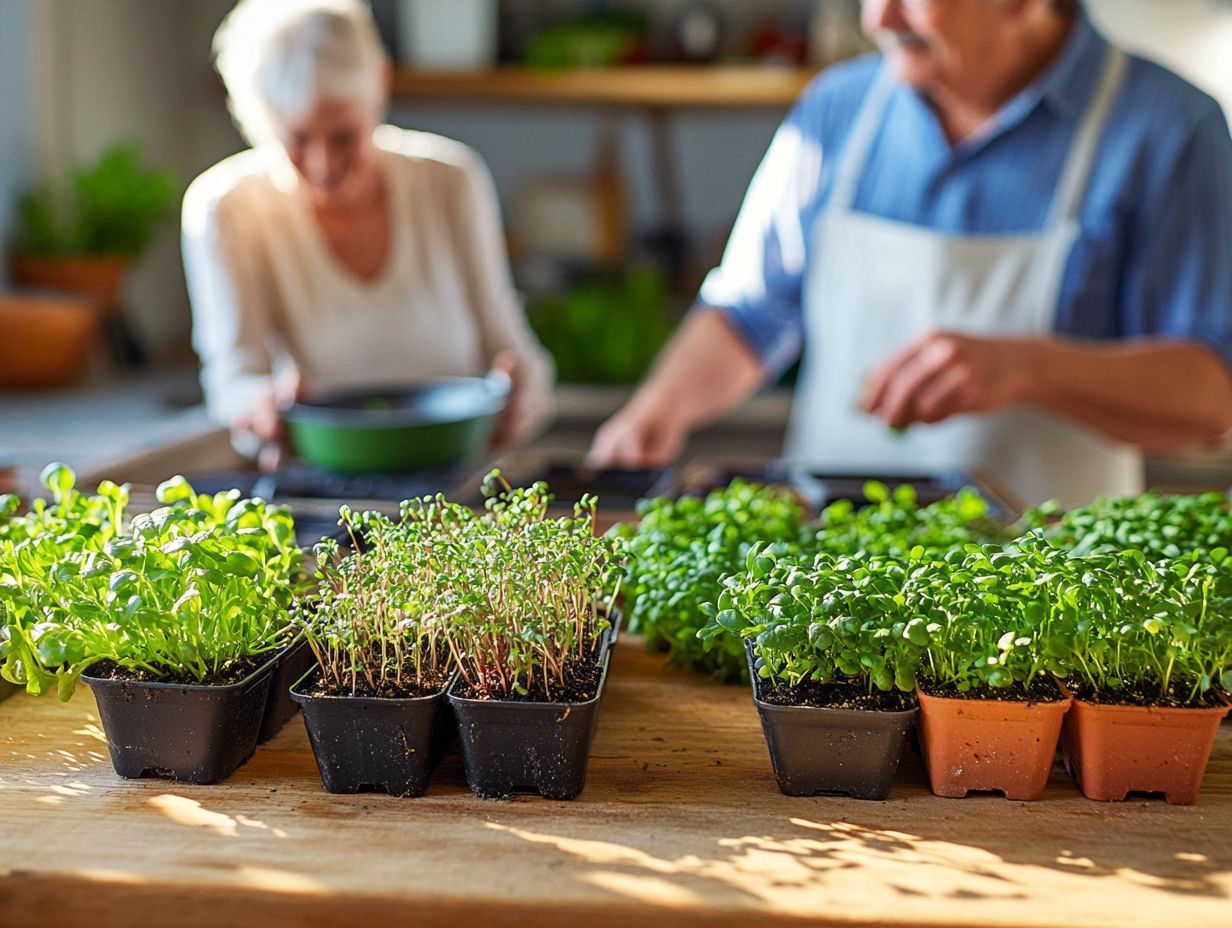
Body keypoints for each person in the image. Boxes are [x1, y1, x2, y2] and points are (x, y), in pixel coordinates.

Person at [589, 0, 1232, 508]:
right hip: (822, 594)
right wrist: (657, 409)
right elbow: (750, 313)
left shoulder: (1169, 130)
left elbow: (1212, 398)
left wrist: (1028, 368)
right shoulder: (836, 109)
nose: (879, 18)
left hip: (1048, 608)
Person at [183, 0, 553, 466]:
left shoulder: (451, 179)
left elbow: (514, 351)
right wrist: (260, 407)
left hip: (459, 474)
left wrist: (522, 395)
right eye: (296, 139)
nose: (322, 164)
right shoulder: (225, 207)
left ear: (380, 85)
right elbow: (233, 382)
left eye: (342, 136)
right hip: (321, 482)